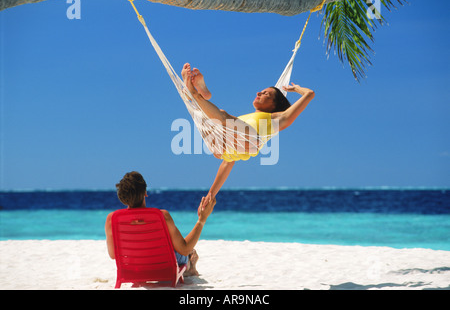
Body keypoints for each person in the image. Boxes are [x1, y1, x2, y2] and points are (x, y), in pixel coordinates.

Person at [181, 63, 316, 210]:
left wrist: (295, 88)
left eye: (266, 94)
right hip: (226, 146)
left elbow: (309, 94)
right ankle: (200, 95)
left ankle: (196, 95)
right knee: (212, 117)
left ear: (273, 105)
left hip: (251, 141)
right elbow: (228, 163)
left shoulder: (278, 118)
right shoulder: (244, 118)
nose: (259, 93)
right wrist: (211, 194)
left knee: (223, 115)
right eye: (261, 91)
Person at [105, 171, 216, 276]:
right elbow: (184, 248)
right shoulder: (162, 216)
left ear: (122, 198)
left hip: (134, 268)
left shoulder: (111, 219)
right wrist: (202, 219)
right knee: (188, 251)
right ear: (145, 193)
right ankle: (191, 265)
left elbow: (113, 255)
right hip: (162, 266)